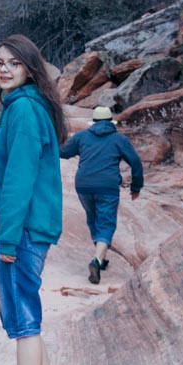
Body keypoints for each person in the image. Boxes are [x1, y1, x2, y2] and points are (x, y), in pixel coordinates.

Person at [0, 35, 67, 365]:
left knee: (23, 323)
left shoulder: (25, 112)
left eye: (13, 63)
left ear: (30, 68)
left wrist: (9, 241)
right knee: (27, 317)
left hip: (25, 230)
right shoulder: (21, 106)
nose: (4, 69)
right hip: (29, 226)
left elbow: (19, 182)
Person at [59, 105, 143, 285]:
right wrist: (136, 187)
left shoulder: (81, 137)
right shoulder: (119, 139)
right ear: (111, 122)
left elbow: (63, 152)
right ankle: (96, 260)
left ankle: (101, 258)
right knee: (106, 223)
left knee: (93, 219)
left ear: (94, 122)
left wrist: (49, 139)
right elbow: (136, 163)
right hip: (107, 186)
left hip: (83, 185)